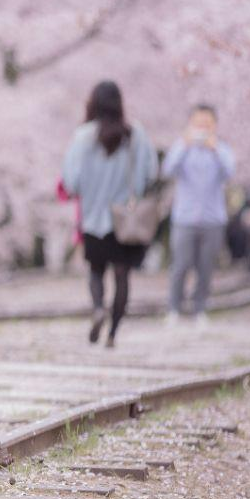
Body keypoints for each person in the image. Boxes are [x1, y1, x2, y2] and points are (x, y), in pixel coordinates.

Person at [62, 80, 156, 348]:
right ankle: (113, 333)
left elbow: (70, 181)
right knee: (122, 275)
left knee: (95, 270)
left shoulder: (83, 137)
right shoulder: (136, 134)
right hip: (125, 221)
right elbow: (151, 172)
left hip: (92, 219)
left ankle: (97, 308)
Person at [162, 103, 234, 328]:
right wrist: (184, 144)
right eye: (198, 123)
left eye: (207, 123)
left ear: (214, 125)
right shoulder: (182, 148)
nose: (202, 128)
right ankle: (174, 308)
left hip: (213, 219)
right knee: (180, 265)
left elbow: (229, 172)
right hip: (184, 218)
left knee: (206, 268)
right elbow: (167, 169)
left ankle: (199, 308)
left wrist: (215, 149)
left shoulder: (221, 149)